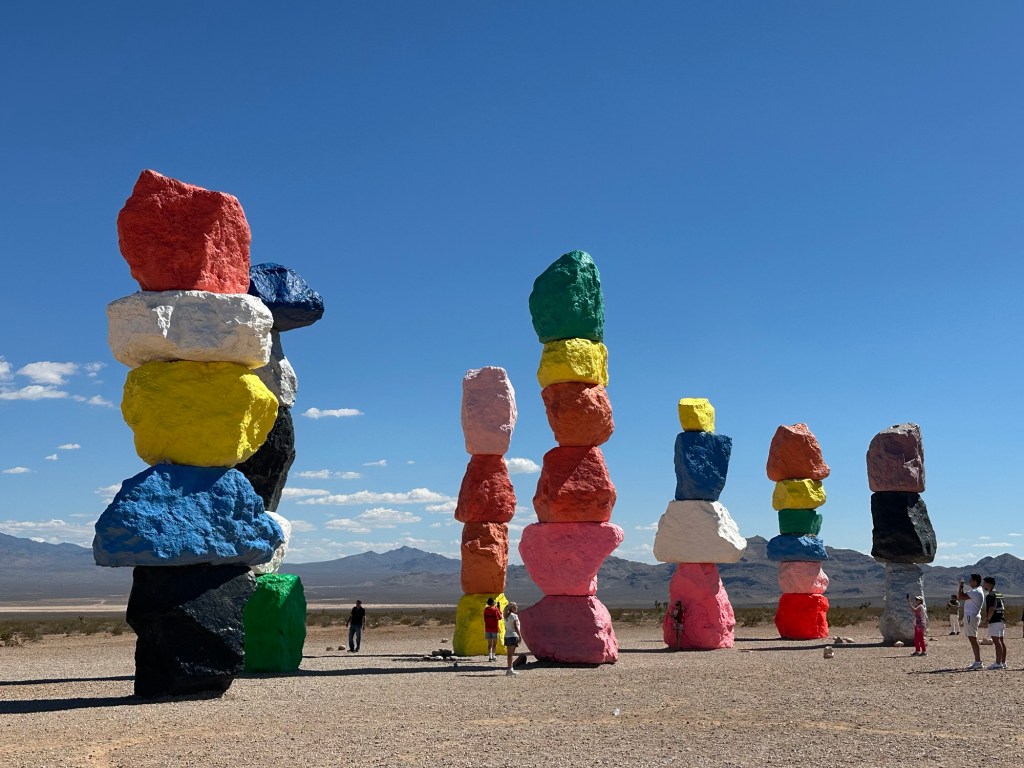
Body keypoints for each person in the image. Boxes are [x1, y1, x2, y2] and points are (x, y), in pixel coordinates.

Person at [958, 574, 986, 670]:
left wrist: (961, 586)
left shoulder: (975, 591)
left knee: (973, 639)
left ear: (975, 581)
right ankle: (977, 661)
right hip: (972, 616)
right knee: (973, 638)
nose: (969, 582)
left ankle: (978, 661)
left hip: (971, 616)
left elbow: (960, 596)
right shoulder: (977, 591)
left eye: (970, 580)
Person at [983, 577, 1007, 670]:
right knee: (1001, 641)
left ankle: (998, 663)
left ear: (989, 584)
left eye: (984, 583)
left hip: (995, 621)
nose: (983, 585)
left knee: (997, 642)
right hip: (1001, 619)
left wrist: (987, 620)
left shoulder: (990, 595)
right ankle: (1003, 662)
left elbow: (991, 609)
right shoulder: (1000, 594)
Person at [503, 601, 521, 677]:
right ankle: (509, 669)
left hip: (507, 635)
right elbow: (516, 627)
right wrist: (520, 636)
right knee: (510, 654)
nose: (516, 607)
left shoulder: (505, 615)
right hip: (512, 635)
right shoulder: (514, 616)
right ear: (512, 608)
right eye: (515, 606)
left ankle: (510, 669)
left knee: (509, 654)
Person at [483, 597, 502, 662]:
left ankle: (490, 656)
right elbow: (500, 617)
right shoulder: (495, 610)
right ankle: (493, 656)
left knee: (489, 644)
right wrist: (499, 609)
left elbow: (485, 619)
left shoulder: (485, 610)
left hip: (488, 629)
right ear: (493, 603)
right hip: (494, 629)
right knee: (494, 644)